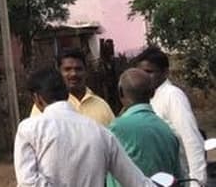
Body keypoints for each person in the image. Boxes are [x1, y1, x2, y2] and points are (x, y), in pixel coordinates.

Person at [14, 67, 154, 186]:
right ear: (66, 93)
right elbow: (137, 182)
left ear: (37, 98)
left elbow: (27, 183)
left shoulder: (29, 129)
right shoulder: (101, 132)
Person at [133, 46, 207, 185]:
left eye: (149, 72)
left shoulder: (172, 95)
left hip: (179, 177)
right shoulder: (146, 98)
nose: (144, 77)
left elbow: (191, 139)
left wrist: (197, 181)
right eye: (140, 72)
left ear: (165, 73)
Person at [106, 68, 180, 187]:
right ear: (152, 93)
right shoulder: (167, 129)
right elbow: (178, 177)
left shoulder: (116, 128)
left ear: (120, 92)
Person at [30, 48, 115, 126]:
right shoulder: (45, 104)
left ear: (86, 71)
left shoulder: (102, 106)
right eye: (67, 69)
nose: (73, 74)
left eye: (78, 69)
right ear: (58, 72)